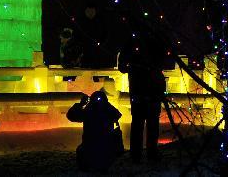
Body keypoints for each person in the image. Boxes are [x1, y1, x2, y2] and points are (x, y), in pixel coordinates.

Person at [119, 29, 168, 163]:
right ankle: (147, 154)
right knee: (146, 124)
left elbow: (122, 66)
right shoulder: (156, 40)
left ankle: (139, 154)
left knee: (140, 124)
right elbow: (122, 66)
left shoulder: (134, 42)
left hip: (143, 89)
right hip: (147, 90)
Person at [66, 89, 123, 172]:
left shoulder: (88, 112)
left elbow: (71, 115)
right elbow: (117, 114)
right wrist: (106, 105)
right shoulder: (108, 111)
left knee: (81, 150)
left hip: (92, 147)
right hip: (103, 148)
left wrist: (81, 104)